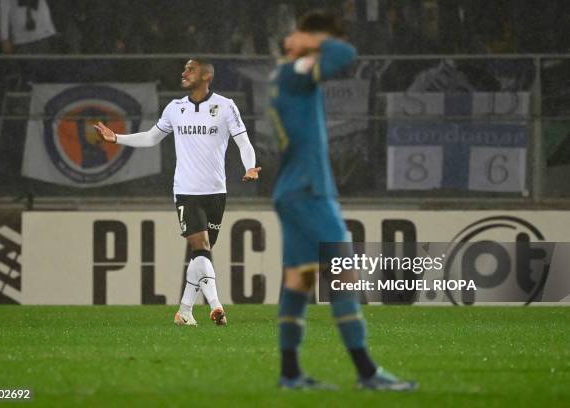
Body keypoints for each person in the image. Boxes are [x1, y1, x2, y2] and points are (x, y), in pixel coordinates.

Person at [269, 10, 417, 390]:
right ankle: (368, 373)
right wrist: (314, 39)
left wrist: (308, 40)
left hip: (293, 189)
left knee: (299, 280)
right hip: (308, 189)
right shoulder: (294, 71)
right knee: (341, 272)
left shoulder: (284, 77)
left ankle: (289, 374)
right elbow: (344, 55)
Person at [94, 58, 261, 326]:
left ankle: (184, 311)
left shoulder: (226, 106)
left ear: (206, 76)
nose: (184, 73)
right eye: (184, 69)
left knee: (201, 255)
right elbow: (151, 137)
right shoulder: (175, 108)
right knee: (201, 247)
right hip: (186, 191)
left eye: (190, 69)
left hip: (216, 191)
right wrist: (117, 138)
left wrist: (250, 167)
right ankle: (216, 306)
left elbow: (243, 142)